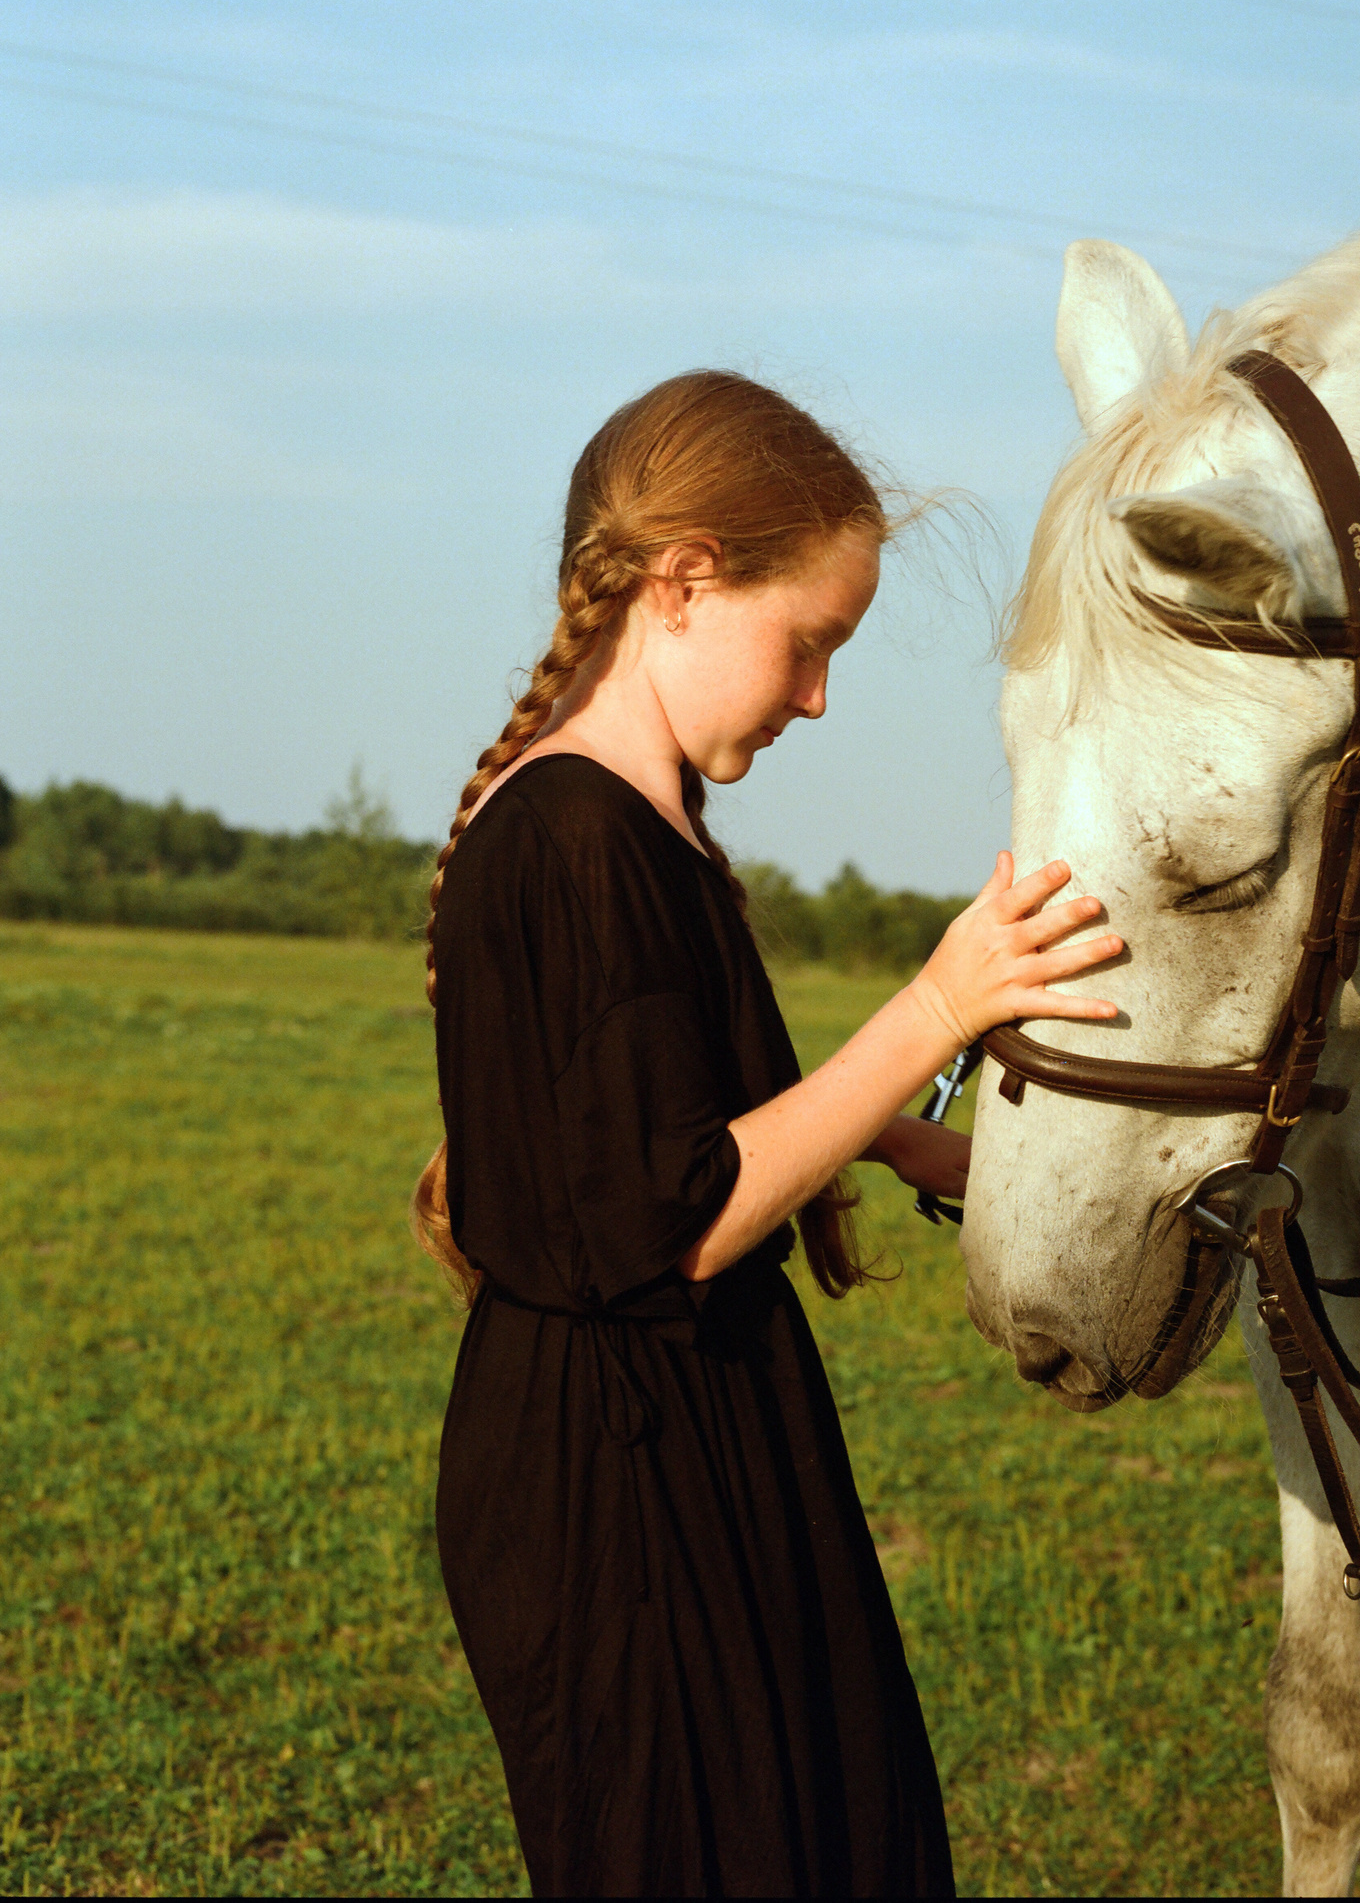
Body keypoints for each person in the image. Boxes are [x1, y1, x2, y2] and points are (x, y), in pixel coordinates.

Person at [412, 370, 1119, 1896]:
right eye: (811, 643)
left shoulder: (645, 829)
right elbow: (679, 1217)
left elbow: (700, 1114)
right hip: (618, 1491)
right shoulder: (573, 838)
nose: (816, 698)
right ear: (682, 583)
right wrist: (936, 1006)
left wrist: (929, 1144)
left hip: (700, 1430)